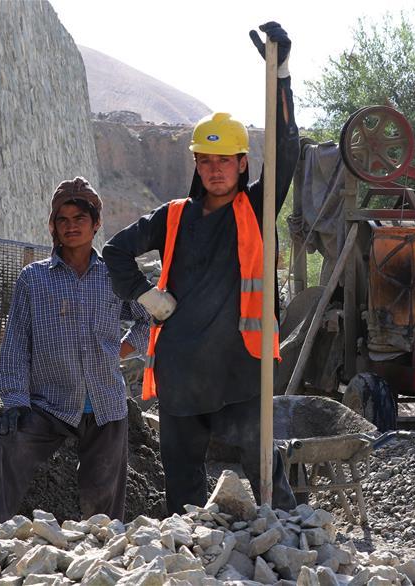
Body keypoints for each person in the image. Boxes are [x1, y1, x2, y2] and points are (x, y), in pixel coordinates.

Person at [103, 22, 298, 514]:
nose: (215, 170)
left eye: (225, 161)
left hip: (240, 367)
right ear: (196, 162)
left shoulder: (255, 209)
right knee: (183, 481)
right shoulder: (171, 216)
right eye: (206, 160)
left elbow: (287, 150)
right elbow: (115, 252)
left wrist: (281, 75)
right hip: (182, 370)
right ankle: (185, 552)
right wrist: (145, 295)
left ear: (241, 164)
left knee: (263, 465)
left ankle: (291, 536)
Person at [0, 177, 150, 523]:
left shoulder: (113, 276)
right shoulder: (34, 279)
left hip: (105, 404)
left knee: (103, 502)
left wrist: (119, 351)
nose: (71, 227)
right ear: (53, 226)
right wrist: (14, 402)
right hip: (49, 402)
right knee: (7, 449)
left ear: (96, 223)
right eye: (63, 220)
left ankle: (100, 558)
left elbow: (148, 319)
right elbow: (15, 344)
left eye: (80, 219)